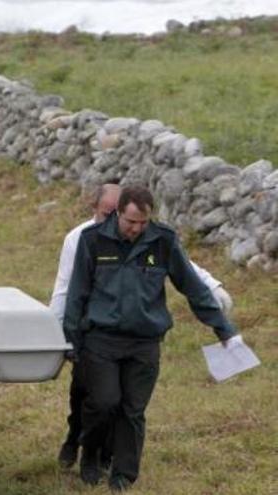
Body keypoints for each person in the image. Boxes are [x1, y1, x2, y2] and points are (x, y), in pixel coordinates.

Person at [63, 185, 242, 491]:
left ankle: (123, 474)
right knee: (104, 403)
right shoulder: (92, 240)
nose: (136, 229)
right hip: (101, 340)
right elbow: (76, 291)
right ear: (118, 213)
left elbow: (193, 287)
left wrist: (223, 328)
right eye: (131, 222)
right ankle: (90, 453)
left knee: (133, 410)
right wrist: (71, 339)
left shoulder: (163, 241)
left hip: (144, 342)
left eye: (142, 223)